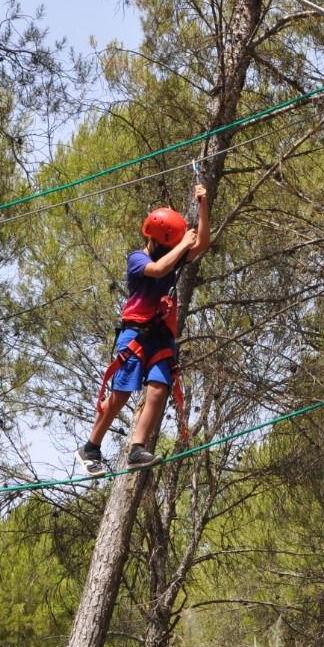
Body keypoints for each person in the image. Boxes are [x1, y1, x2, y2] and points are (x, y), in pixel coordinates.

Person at [76, 182, 210, 475]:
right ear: (159, 241)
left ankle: (137, 449)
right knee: (121, 393)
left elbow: (202, 244)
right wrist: (183, 246)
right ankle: (91, 447)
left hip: (161, 336)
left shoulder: (172, 256)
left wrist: (202, 205)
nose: (175, 248)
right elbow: (159, 269)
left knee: (159, 391)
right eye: (171, 244)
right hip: (136, 334)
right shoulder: (138, 259)